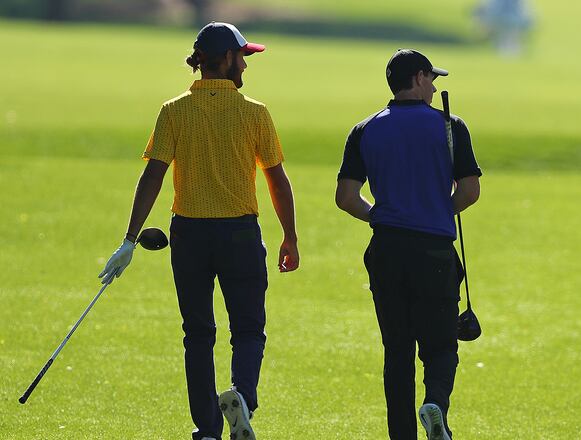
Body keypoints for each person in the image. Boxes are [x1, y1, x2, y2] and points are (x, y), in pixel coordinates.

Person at [99, 22, 299, 440]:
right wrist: (290, 236)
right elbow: (277, 180)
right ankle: (242, 397)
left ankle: (207, 428)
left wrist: (129, 239)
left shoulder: (174, 111)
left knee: (198, 334)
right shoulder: (254, 112)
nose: (245, 64)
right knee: (247, 328)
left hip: (189, 235)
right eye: (242, 56)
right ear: (225, 59)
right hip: (240, 234)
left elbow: (152, 177)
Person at [335, 49, 481, 440]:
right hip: (433, 249)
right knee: (440, 346)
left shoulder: (365, 128)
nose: (435, 87)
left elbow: (347, 197)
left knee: (396, 352)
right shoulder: (451, 126)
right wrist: (436, 211)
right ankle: (435, 403)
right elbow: (469, 190)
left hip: (386, 249)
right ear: (418, 78)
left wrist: (380, 216)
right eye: (432, 79)